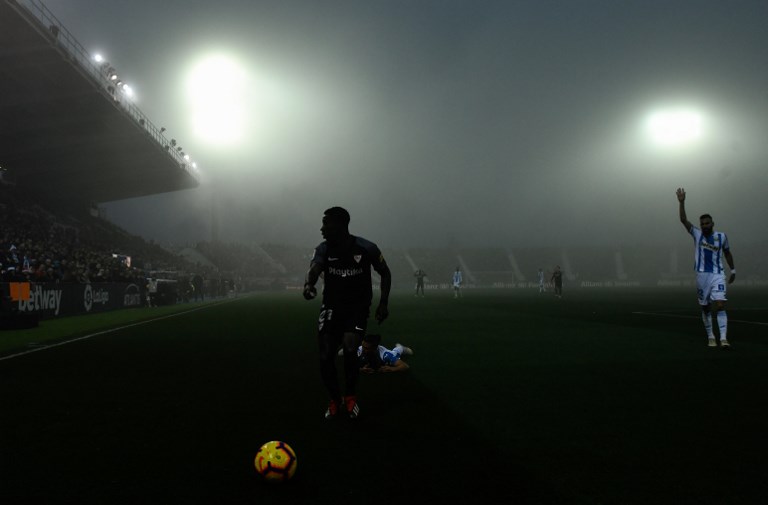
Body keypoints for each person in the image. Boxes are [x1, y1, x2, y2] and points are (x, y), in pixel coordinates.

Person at [303, 207, 392, 419]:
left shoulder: (366, 247)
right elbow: (314, 269)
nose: (322, 228)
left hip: (357, 308)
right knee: (325, 356)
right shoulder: (323, 249)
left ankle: (350, 397)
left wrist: (383, 304)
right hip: (332, 307)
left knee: (351, 348)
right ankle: (335, 400)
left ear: (340, 225)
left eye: (326, 223)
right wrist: (308, 285)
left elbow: (385, 273)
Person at [676, 188, 736, 348]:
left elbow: (727, 253)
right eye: (702, 223)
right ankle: (711, 336)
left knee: (721, 304)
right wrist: (682, 202)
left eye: (707, 223)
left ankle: (723, 338)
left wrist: (733, 270)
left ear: (712, 223)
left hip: (718, 274)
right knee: (705, 307)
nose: (704, 226)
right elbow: (683, 220)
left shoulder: (722, 237)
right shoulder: (696, 233)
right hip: (702, 275)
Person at [338, 333, 414, 373]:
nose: (363, 349)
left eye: (367, 348)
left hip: (387, 353)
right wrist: (360, 369)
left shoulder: (385, 355)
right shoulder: (360, 349)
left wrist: (392, 369)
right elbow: (348, 365)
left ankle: (401, 347)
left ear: (374, 348)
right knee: (342, 353)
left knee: (395, 352)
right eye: (363, 346)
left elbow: (405, 366)